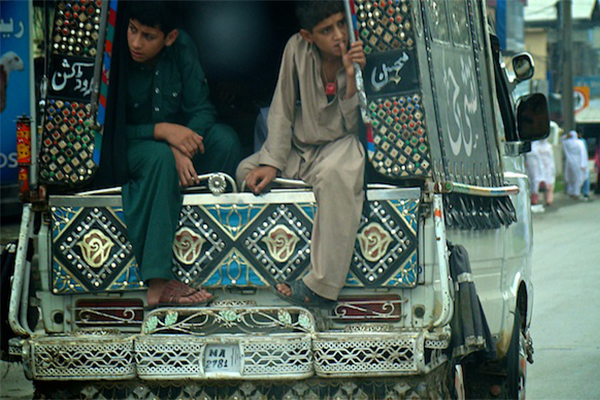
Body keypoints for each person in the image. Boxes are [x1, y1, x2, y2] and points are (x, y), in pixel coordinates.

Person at [236, 1, 366, 308]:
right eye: (326, 30)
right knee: (245, 171)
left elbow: (355, 126)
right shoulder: (296, 48)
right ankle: (274, 262)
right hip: (301, 150)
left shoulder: (359, 51)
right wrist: (271, 162)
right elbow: (281, 109)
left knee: (335, 175)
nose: (339, 35)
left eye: (341, 24)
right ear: (308, 36)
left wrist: (352, 75)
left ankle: (321, 286)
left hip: (341, 147)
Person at [122, 2, 242, 307]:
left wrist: (180, 143)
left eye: (148, 36)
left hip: (174, 151)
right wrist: (164, 133)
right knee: (160, 158)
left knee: (225, 141)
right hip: (128, 148)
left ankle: (213, 252)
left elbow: (203, 110)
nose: (136, 43)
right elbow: (110, 130)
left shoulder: (182, 47)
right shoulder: (117, 54)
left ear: (170, 37)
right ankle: (158, 283)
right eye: (132, 30)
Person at [562, 130, 584, 199]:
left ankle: (571, 192)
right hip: (577, 162)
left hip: (569, 162)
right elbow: (583, 153)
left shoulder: (566, 143)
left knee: (571, 178)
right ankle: (576, 192)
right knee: (577, 178)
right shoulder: (579, 143)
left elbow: (562, 139)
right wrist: (583, 164)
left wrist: (566, 136)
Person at [577, 133, 590, 200]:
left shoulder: (581, 142)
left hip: (582, 163)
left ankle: (585, 193)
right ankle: (582, 192)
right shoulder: (579, 142)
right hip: (580, 163)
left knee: (585, 178)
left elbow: (584, 153)